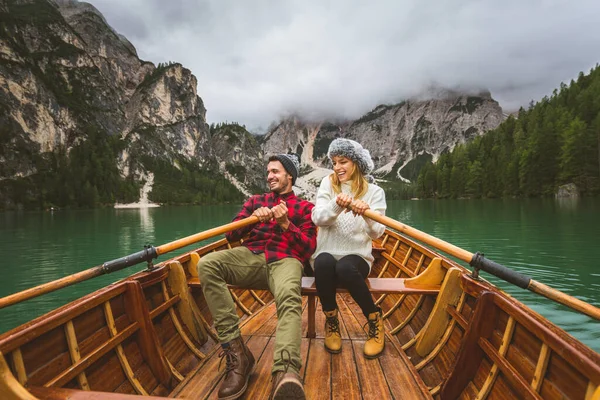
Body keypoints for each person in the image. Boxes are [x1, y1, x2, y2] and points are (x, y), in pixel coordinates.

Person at [197, 153, 316, 400]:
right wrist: (252, 220)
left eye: (275, 171)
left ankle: (285, 371)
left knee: (288, 297)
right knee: (207, 264)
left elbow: (308, 249)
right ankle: (238, 354)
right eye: (268, 172)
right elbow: (231, 236)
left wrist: (286, 224)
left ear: (289, 176)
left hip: (286, 259)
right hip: (250, 256)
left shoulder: (306, 208)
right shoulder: (255, 201)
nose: (270, 176)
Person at [310, 138, 387, 358]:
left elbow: (377, 233)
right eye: (334, 162)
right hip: (326, 254)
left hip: (357, 258)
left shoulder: (375, 192)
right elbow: (318, 218)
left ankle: (374, 319)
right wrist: (336, 204)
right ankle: (331, 321)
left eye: (342, 161)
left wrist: (367, 213)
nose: (337, 168)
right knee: (323, 261)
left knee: (344, 267)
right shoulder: (328, 184)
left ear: (356, 163)